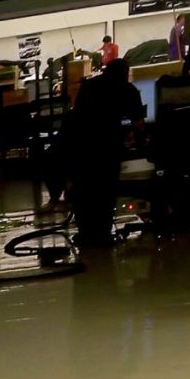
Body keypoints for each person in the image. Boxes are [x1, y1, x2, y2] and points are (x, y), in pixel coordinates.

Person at [61, 57, 145, 248]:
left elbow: (77, 114)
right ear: (125, 73)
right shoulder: (128, 90)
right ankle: (102, 234)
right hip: (108, 147)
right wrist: (141, 142)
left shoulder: (89, 86)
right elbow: (139, 124)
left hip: (81, 145)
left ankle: (85, 233)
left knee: (84, 190)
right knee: (106, 192)